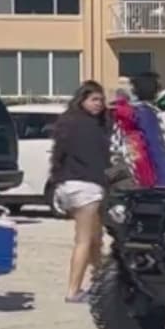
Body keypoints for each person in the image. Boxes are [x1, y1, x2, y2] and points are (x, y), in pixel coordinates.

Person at [48, 81, 109, 303]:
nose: (99, 104)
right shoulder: (96, 128)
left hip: (68, 187)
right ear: (82, 100)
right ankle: (73, 290)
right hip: (87, 188)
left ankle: (100, 281)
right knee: (84, 240)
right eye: (94, 99)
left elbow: (58, 157)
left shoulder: (67, 123)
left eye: (101, 100)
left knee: (95, 238)